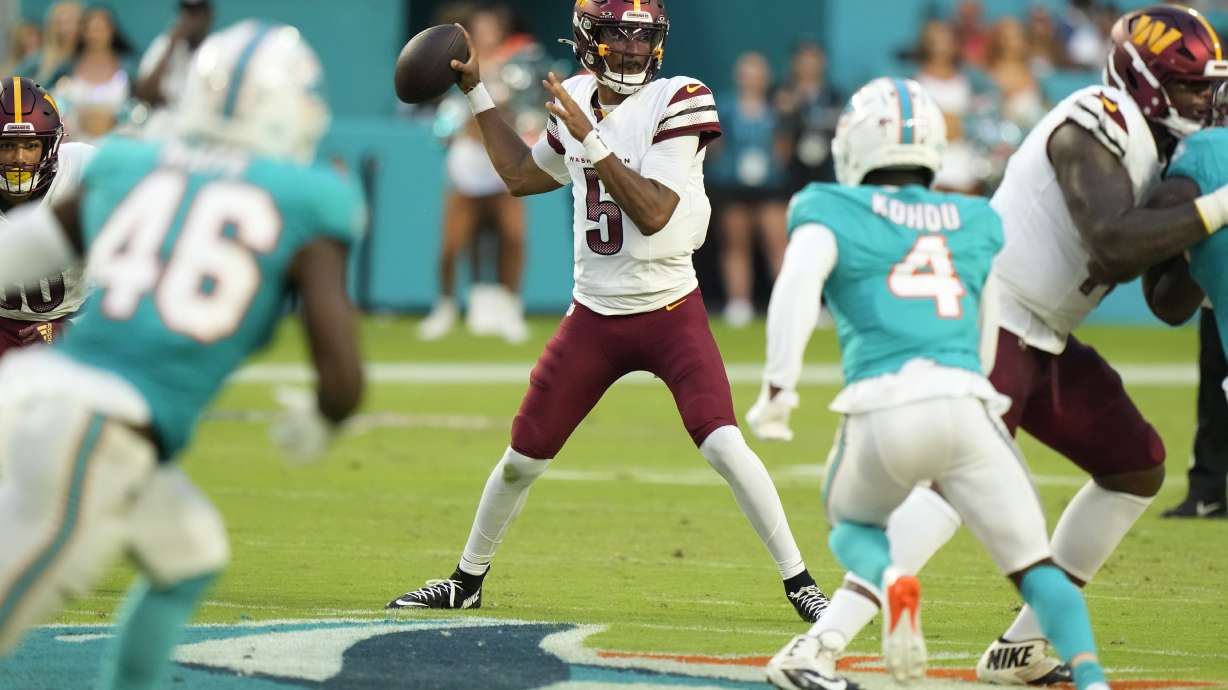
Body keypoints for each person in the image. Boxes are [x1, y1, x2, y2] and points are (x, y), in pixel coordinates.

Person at [386, 0, 830, 623]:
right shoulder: (574, 98)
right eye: (619, 37)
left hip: (669, 306)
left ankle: (801, 583)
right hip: (594, 314)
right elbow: (520, 175)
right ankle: (466, 579)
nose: (632, 50)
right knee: (521, 460)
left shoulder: (680, 97)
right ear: (588, 40)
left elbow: (652, 212)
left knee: (724, 443)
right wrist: (476, 93)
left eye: (643, 38)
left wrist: (590, 139)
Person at [0, 20, 365, 690]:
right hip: (96, 431)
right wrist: (322, 418)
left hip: (50, 393)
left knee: (189, 556)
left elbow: (20, 251)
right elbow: (342, 382)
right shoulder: (311, 197)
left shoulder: (128, 164)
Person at [883, 4, 1228, 684]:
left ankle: (1022, 645)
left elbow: (1164, 302)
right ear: (1144, 80)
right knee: (960, 474)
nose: (1202, 100)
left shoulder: (1173, 154)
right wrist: (1214, 208)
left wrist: (1204, 255)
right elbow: (1112, 241)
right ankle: (833, 626)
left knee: (1136, 465)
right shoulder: (1095, 119)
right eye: (1189, 86)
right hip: (995, 313)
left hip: (1046, 332)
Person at [757, 76, 1111, 690]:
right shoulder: (973, 217)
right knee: (1038, 571)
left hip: (883, 407)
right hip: (969, 407)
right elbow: (987, 321)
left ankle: (892, 583)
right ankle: (1092, 677)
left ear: (856, 144)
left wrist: (778, 388)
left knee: (853, 527)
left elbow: (797, 285)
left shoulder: (828, 207)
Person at [1139, 92, 1228, 520]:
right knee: (1215, 378)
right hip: (1218, 276)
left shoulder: (1203, 152)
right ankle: (1208, 488)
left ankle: (1207, 488)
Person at [419, 6, 530, 344]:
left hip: (503, 168)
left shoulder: (517, 67)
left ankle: (510, 308)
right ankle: (446, 306)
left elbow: (527, 112)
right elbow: (444, 123)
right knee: (452, 245)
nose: (486, 32)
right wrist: (455, 128)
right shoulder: (457, 68)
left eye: (491, 27)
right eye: (480, 27)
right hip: (466, 167)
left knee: (513, 237)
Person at [0, 77, 93, 356]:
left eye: (30, 145)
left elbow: (123, 269)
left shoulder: (82, 170)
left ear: (50, 145)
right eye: (7, 145)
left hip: (70, 322)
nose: (19, 157)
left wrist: (72, 327)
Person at [706, 51, 790, 328]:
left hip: (769, 186)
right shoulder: (727, 107)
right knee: (735, 245)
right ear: (740, 77)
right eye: (748, 74)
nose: (753, 79)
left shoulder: (777, 107)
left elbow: (783, 147)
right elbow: (715, 146)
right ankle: (739, 303)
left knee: (778, 245)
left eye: (758, 74)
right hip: (733, 186)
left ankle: (787, 304)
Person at [54, 6, 135, 143]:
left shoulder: (129, 68)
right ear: (83, 32)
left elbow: (138, 106)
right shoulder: (68, 66)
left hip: (115, 144)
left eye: (101, 29)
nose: (96, 35)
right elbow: (52, 102)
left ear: (112, 31)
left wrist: (115, 117)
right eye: (91, 30)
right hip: (74, 145)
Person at [133, 0, 213, 111]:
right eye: (187, 13)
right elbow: (142, 95)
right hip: (162, 119)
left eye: (196, 13)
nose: (191, 20)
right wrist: (170, 47)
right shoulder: (163, 44)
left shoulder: (215, 49)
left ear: (208, 17)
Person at [15, 0, 81, 87]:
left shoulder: (83, 58)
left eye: (69, 22)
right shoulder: (39, 59)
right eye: (60, 23)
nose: (64, 29)